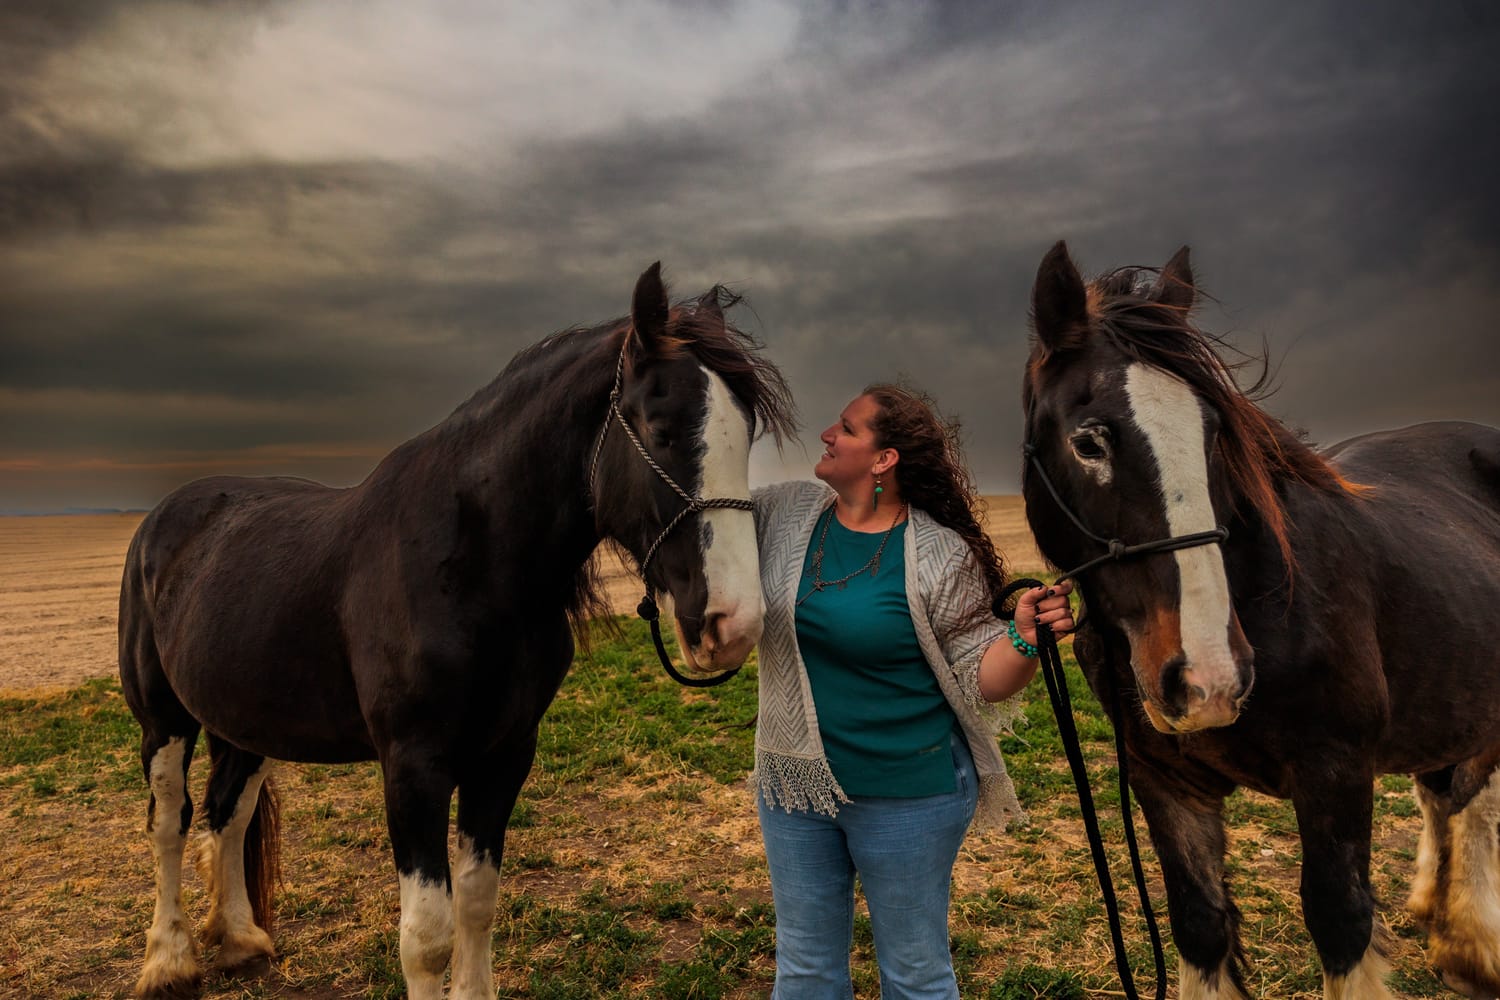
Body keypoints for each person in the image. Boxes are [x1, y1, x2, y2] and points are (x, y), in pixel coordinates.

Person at [751, 383, 1074, 999]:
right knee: (804, 968)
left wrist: (1025, 638)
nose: (827, 434)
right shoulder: (786, 513)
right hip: (796, 786)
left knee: (915, 974)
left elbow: (981, 675)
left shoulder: (937, 552)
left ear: (884, 459)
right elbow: (700, 516)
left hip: (909, 796)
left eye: (846, 428)